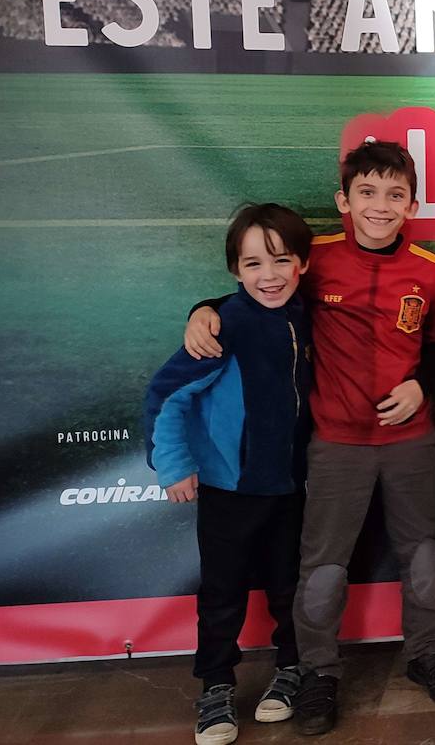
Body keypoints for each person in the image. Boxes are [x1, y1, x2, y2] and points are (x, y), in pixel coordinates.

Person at [184, 141, 435, 735]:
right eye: (367, 192)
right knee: (323, 567)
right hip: (335, 443)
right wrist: (205, 308)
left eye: (395, 195)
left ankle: (428, 655)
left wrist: (422, 387)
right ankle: (318, 672)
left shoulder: (433, 272)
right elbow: (261, 297)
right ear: (344, 199)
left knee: (422, 554)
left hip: (410, 439)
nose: (380, 205)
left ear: (411, 204)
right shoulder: (319, 260)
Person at [145, 203, 314, 745]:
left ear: (303, 265)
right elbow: (165, 396)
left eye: (282, 261)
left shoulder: (306, 315)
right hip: (229, 489)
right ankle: (216, 685)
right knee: (222, 593)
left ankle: (290, 669)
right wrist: (173, 466)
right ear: (235, 271)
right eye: (253, 265)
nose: (269, 276)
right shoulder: (223, 326)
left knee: (290, 586)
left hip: (290, 486)